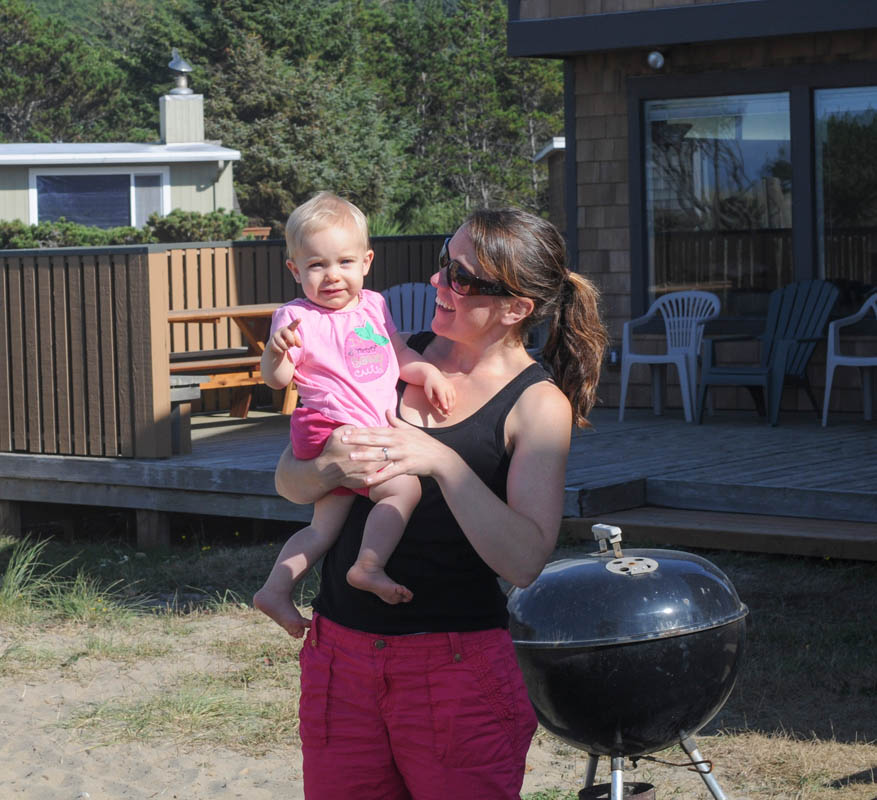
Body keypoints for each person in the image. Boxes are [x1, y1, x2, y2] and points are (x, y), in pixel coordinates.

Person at [274, 207, 608, 799]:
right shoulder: (395, 353)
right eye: (443, 263)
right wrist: (328, 468)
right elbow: (289, 483)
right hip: (339, 653)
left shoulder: (537, 404)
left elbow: (525, 561)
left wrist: (443, 463)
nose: (437, 281)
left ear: (515, 308)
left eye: (461, 275)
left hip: (455, 668)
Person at [253, 192, 456, 635]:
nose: (332, 275)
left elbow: (397, 354)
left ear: (366, 262)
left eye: (344, 262)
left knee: (322, 529)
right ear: (295, 270)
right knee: (403, 489)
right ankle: (368, 566)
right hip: (332, 427)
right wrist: (275, 351)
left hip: (352, 428)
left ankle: (274, 590)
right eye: (316, 265)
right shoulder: (295, 318)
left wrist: (427, 373)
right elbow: (277, 379)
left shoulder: (374, 305)